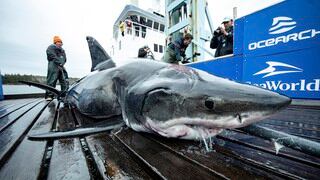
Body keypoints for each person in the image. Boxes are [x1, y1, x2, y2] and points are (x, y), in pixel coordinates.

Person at [45, 36, 69, 100]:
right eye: (58, 42)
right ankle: (49, 95)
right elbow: (52, 56)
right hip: (53, 65)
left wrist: (62, 64)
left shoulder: (62, 50)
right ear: (55, 42)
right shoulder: (51, 47)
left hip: (61, 66)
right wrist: (59, 63)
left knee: (64, 80)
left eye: (61, 42)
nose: (60, 43)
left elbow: (64, 58)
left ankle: (64, 94)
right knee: (52, 80)